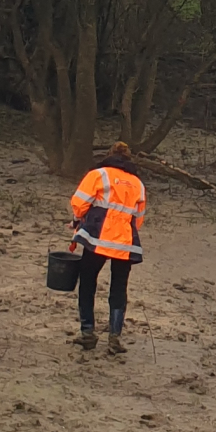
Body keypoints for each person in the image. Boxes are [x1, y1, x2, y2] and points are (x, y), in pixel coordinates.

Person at [68, 141, 148, 355]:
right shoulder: (138, 184)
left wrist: (78, 220)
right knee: (119, 287)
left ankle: (88, 333)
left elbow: (79, 203)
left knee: (87, 282)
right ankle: (114, 336)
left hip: (97, 239)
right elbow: (138, 219)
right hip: (125, 242)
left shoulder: (99, 174)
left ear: (109, 155)